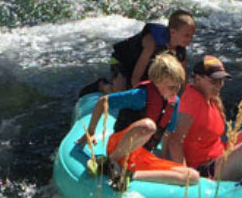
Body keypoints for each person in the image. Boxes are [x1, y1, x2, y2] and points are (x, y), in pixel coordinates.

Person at [78, 52, 199, 190]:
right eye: (171, 87)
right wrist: (91, 131)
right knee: (149, 126)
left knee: (193, 176)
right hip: (120, 146)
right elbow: (103, 101)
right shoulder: (140, 95)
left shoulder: (173, 102)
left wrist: (164, 160)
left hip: (140, 155)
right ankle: (110, 162)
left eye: (178, 86)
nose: (176, 91)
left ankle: (131, 175)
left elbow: (168, 135)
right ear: (157, 81)